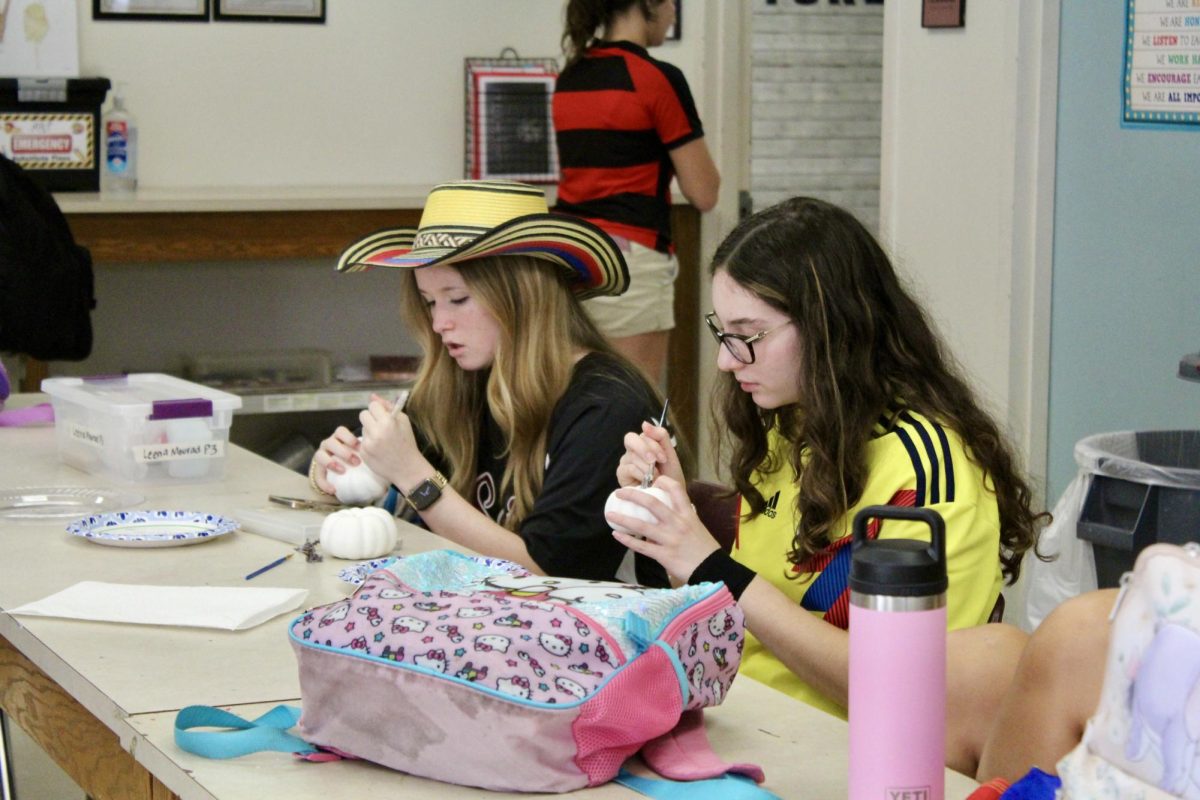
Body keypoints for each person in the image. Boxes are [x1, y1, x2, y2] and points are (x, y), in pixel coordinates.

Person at [606, 196, 1048, 763]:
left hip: (853, 753)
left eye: (750, 334)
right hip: (744, 717)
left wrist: (713, 569)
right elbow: (739, 625)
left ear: (831, 326)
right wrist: (666, 525)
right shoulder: (788, 427)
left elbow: (903, 696)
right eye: (723, 330)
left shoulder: (929, 471)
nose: (725, 360)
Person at [310, 179, 668, 588]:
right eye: (430, 302)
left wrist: (413, 476)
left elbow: (544, 574)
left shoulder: (606, 407)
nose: (438, 322)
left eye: (457, 299)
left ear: (521, 295)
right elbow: (372, 472)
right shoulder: (465, 380)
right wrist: (336, 467)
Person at [553, 0, 720, 385]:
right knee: (632, 405)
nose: (674, 12)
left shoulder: (570, 77)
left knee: (574, 399)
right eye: (671, 3)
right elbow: (705, 192)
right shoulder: (656, 78)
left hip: (569, 256)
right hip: (630, 264)